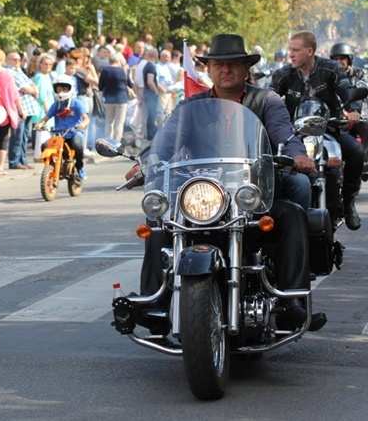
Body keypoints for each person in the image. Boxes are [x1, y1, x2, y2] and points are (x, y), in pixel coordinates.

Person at [128, 34, 316, 329]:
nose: (225, 70)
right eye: (218, 65)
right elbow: (166, 142)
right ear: (209, 69)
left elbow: (282, 131)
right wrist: (144, 163)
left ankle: (291, 300)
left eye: (232, 64)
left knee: (292, 213)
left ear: (245, 69)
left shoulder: (266, 100)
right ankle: (153, 300)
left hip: (250, 196)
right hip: (203, 196)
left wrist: (296, 154)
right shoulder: (192, 106)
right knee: (159, 220)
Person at [270, 30, 364, 230]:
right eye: (290, 50)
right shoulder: (283, 74)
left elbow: (347, 91)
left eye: (296, 50)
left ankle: (348, 202)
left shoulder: (332, 69)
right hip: (295, 134)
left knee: (356, 151)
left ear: (310, 51)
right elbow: (269, 98)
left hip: (329, 130)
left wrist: (353, 110)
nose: (291, 54)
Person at [330, 42, 368, 175]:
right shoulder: (329, 74)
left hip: (357, 114)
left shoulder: (359, 73)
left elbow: (366, 86)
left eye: (342, 58)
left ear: (349, 59)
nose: (339, 61)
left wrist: (365, 89)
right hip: (338, 113)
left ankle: (367, 161)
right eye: (336, 59)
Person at [34, 75, 90, 180]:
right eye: (59, 89)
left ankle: (80, 167)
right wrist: (40, 124)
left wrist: (82, 124)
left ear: (70, 89)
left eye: (64, 89)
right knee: (45, 145)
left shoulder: (77, 103)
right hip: (60, 135)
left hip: (74, 133)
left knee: (77, 145)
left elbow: (86, 118)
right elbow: (46, 118)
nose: (61, 92)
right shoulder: (56, 105)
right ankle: (52, 167)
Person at [98, 54, 131, 142]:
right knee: (119, 123)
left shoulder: (105, 70)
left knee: (109, 122)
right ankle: (116, 143)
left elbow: (100, 87)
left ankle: (108, 142)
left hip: (109, 99)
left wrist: (101, 101)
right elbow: (130, 84)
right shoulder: (123, 70)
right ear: (118, 61)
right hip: (121, 99)